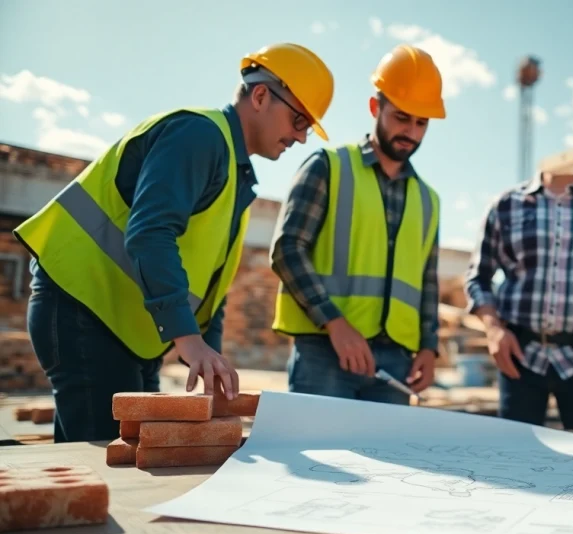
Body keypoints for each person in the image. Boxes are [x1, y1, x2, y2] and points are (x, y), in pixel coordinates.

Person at [14, 43, 335, 443]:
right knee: (103, 464)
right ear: (260, 95)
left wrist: (208, 358)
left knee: (110, 461)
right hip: (85, 307)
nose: (301, 138)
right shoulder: (198, 135)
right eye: (299, 119)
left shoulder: (236, 177)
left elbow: (209, 290)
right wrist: (188, 340)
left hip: (126, 326)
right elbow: (150, 232)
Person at [270, 44, 444, 405]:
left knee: (386, 463)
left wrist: (429, 346)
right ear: (374, 108)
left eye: (421, 123)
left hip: (396, 363)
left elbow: (427, 281)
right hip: (325, 351)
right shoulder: (328, 167)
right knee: (318, 460)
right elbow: (287, 249)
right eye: (401, 117)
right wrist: (334, 322)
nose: (410, 132)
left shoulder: (429, 200)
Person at [464, 171, 573, 434]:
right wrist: (494, 329)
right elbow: (477, 278)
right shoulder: (506, 204)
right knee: (513, 458)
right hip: (519, 356)